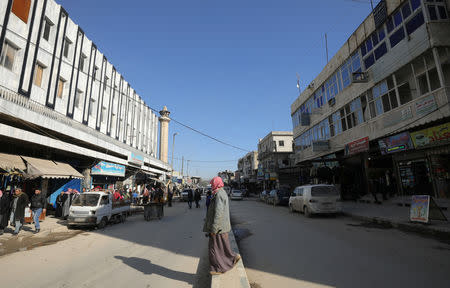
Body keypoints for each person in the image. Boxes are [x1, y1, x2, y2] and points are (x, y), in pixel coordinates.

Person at [203, 177, 241, 275]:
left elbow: (218, 213)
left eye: (212, 184)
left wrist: (214, 228)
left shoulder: (219, 194)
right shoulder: (220, 193)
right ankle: (232, 258)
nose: (211, 186)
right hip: (221, 227)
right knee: (222, 247)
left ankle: (218, 268)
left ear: (217, 184)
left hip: (219, 228)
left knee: (214, 249)